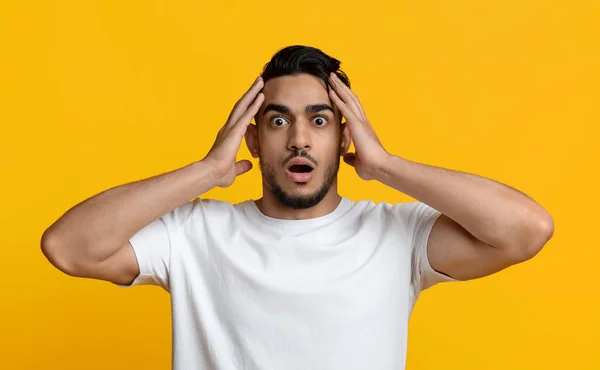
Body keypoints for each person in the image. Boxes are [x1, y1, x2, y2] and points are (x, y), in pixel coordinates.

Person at [41, 45, 554, 370]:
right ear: (253, 140)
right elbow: (67, 247)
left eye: (320, 120)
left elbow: (526, 230)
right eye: (279, 121)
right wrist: (205, 172)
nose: (299, 139)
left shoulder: (396, 235)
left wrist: (387, 167)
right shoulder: (194, 234)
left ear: (344, 137)